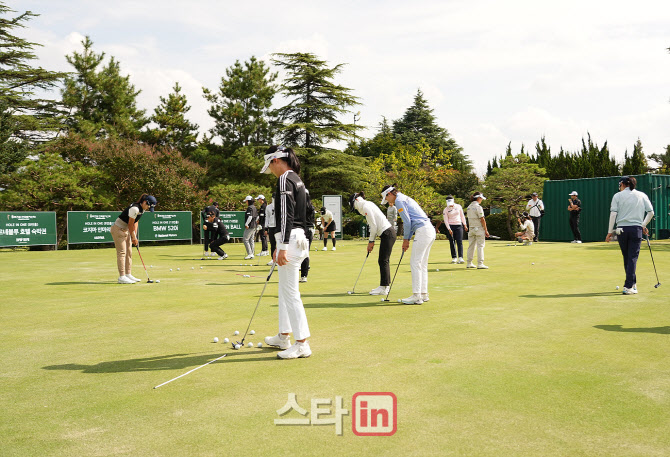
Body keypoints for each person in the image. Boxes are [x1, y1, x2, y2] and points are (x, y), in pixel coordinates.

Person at [261, 145, 312, 359]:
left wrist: (281, 246)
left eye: (270, 166)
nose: (270, 171)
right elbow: (309, 214)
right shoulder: (298, 180)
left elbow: (286, 214)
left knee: (291, 293)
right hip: (296, 239)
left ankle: (301, 344)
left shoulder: (284, 179)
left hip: (289, 239)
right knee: (285, 290)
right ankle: (283, 336)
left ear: (276, 161)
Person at [380, 183, 435, 305]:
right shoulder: (404, 197)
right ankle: (423, 294)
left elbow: (407, 222)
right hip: (429, 230)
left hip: (423, 231)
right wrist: (408, 238)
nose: (388, 201)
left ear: (389, 194)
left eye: (386, 198)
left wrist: (406, 240)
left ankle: (416, 296)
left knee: (415, 263)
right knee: (422, 264)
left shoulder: (399, 200)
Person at [605, 176, 654, 295]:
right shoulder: (642, 195)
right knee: (632, 257)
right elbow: (651, 212)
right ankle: (629, 285)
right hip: (635, 229)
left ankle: (631, 284)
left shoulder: (617, 196)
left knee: (627, 257)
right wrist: (642, 225)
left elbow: (613, 214)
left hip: (621, 230)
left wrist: (609, 232)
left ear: (622, 184)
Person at [350, 191, 396, 295]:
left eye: (355, 207)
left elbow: (373, 226)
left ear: (357, 201)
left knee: (383, 260)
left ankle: (384, 288)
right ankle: (384, 286)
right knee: (383, 260)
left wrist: (371, 241)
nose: (357, 209)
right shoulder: (368, 204)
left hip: (387, 233)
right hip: (387, 233)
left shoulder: (366, 206)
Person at [110, 194, 158, 284]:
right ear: (144, 202)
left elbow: (136, 222)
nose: (148, 208)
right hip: (118, 229)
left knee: (129, 252)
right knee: (122, 253)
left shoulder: (142, 209)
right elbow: (130, 224)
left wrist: (135, 236)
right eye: (148, 206)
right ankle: (122, 276)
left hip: (127, 230)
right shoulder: (135, 209)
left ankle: (128, 274)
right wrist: (133, 237)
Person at [435, 195, 468, 264]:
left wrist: (465, 225)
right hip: (450, 226)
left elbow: (462, 216)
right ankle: (454, 257)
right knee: (452, 242)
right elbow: (446, 220)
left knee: (459, 242)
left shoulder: (458, 206)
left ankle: (461, 257)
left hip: (459, 225)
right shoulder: (446, 209)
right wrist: (449, 229)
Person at [465, 192, 490, 269]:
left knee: (471, 246)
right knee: (480, 246)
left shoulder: (468, 207)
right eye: (481, 198)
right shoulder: (478, 207)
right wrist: (486, 230)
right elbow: (482, 219)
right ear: (479, 198)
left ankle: (469, 262)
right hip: (478, 228)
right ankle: (480, 263)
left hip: (471, 228)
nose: (482, 200)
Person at [300, 189, 316, 282]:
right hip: (309, 229)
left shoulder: (302, 206)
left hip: (303, 229)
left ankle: (303, 273)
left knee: (301, 252)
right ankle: (304, 275)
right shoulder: (311, 206)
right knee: (305, 252)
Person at [265, 193, 277, 266]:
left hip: (279, 227)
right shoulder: (268, 207)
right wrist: (266, 228)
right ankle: (273, 259)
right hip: (271, 227)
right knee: (273, 244)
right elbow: (267, 218)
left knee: (280, 244)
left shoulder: (281, 206)